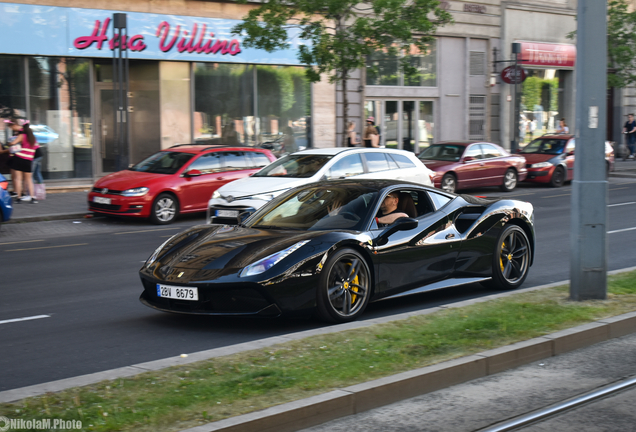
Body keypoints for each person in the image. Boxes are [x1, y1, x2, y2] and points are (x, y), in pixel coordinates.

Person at [6, 118, 38, 203]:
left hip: (19, 159)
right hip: (28, 161)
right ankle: (33, 198)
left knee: (18, 179)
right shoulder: (34, 139)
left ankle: (19, 198)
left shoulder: (22, 136)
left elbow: (13, 143)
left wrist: (9, 143)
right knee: (29, 180)